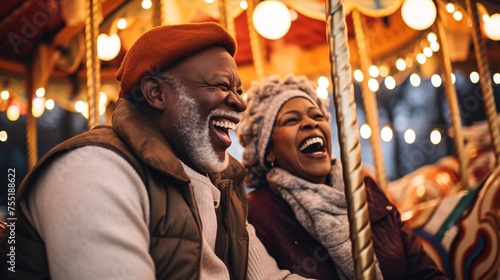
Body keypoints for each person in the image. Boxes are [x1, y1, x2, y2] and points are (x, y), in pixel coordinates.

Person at [0, 23, 309, 280]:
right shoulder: (92, 169)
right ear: (156, 93)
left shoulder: (220, 186)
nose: (239, 102)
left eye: (238, 91)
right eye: (221, 86)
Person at [236, 74, 448, 280]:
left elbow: (421, 268)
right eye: (291, 120)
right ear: (268, 150)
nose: (311, 123)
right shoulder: (257, 214)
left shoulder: (364, 187)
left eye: (317, 115)